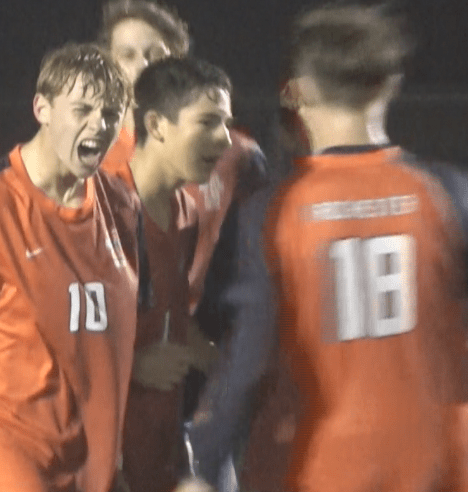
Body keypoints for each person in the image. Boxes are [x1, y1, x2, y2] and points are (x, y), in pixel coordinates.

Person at [182, 4, 468, 492]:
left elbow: (247, 361)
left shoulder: (274, 212)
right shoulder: (447, 194)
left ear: (300, 92)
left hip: (320, 470)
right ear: (389, 85)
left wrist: (203, 465)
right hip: (438, 466)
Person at [0, 43, 140, 492]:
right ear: (42, 109)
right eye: (83, 109)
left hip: (93, 465)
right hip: (7, 452)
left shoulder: (123, 208)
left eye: (111, 113)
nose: (99, 124)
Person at [97, 2, 267, 491]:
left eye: (154, 52)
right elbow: (61, 330)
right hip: (110, 414)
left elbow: (185, 315)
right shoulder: (96, 180)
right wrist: (133, 365)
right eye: (127, 55)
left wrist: (236, 366)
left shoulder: (218, 175)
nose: (141, 65)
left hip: (182, 402)